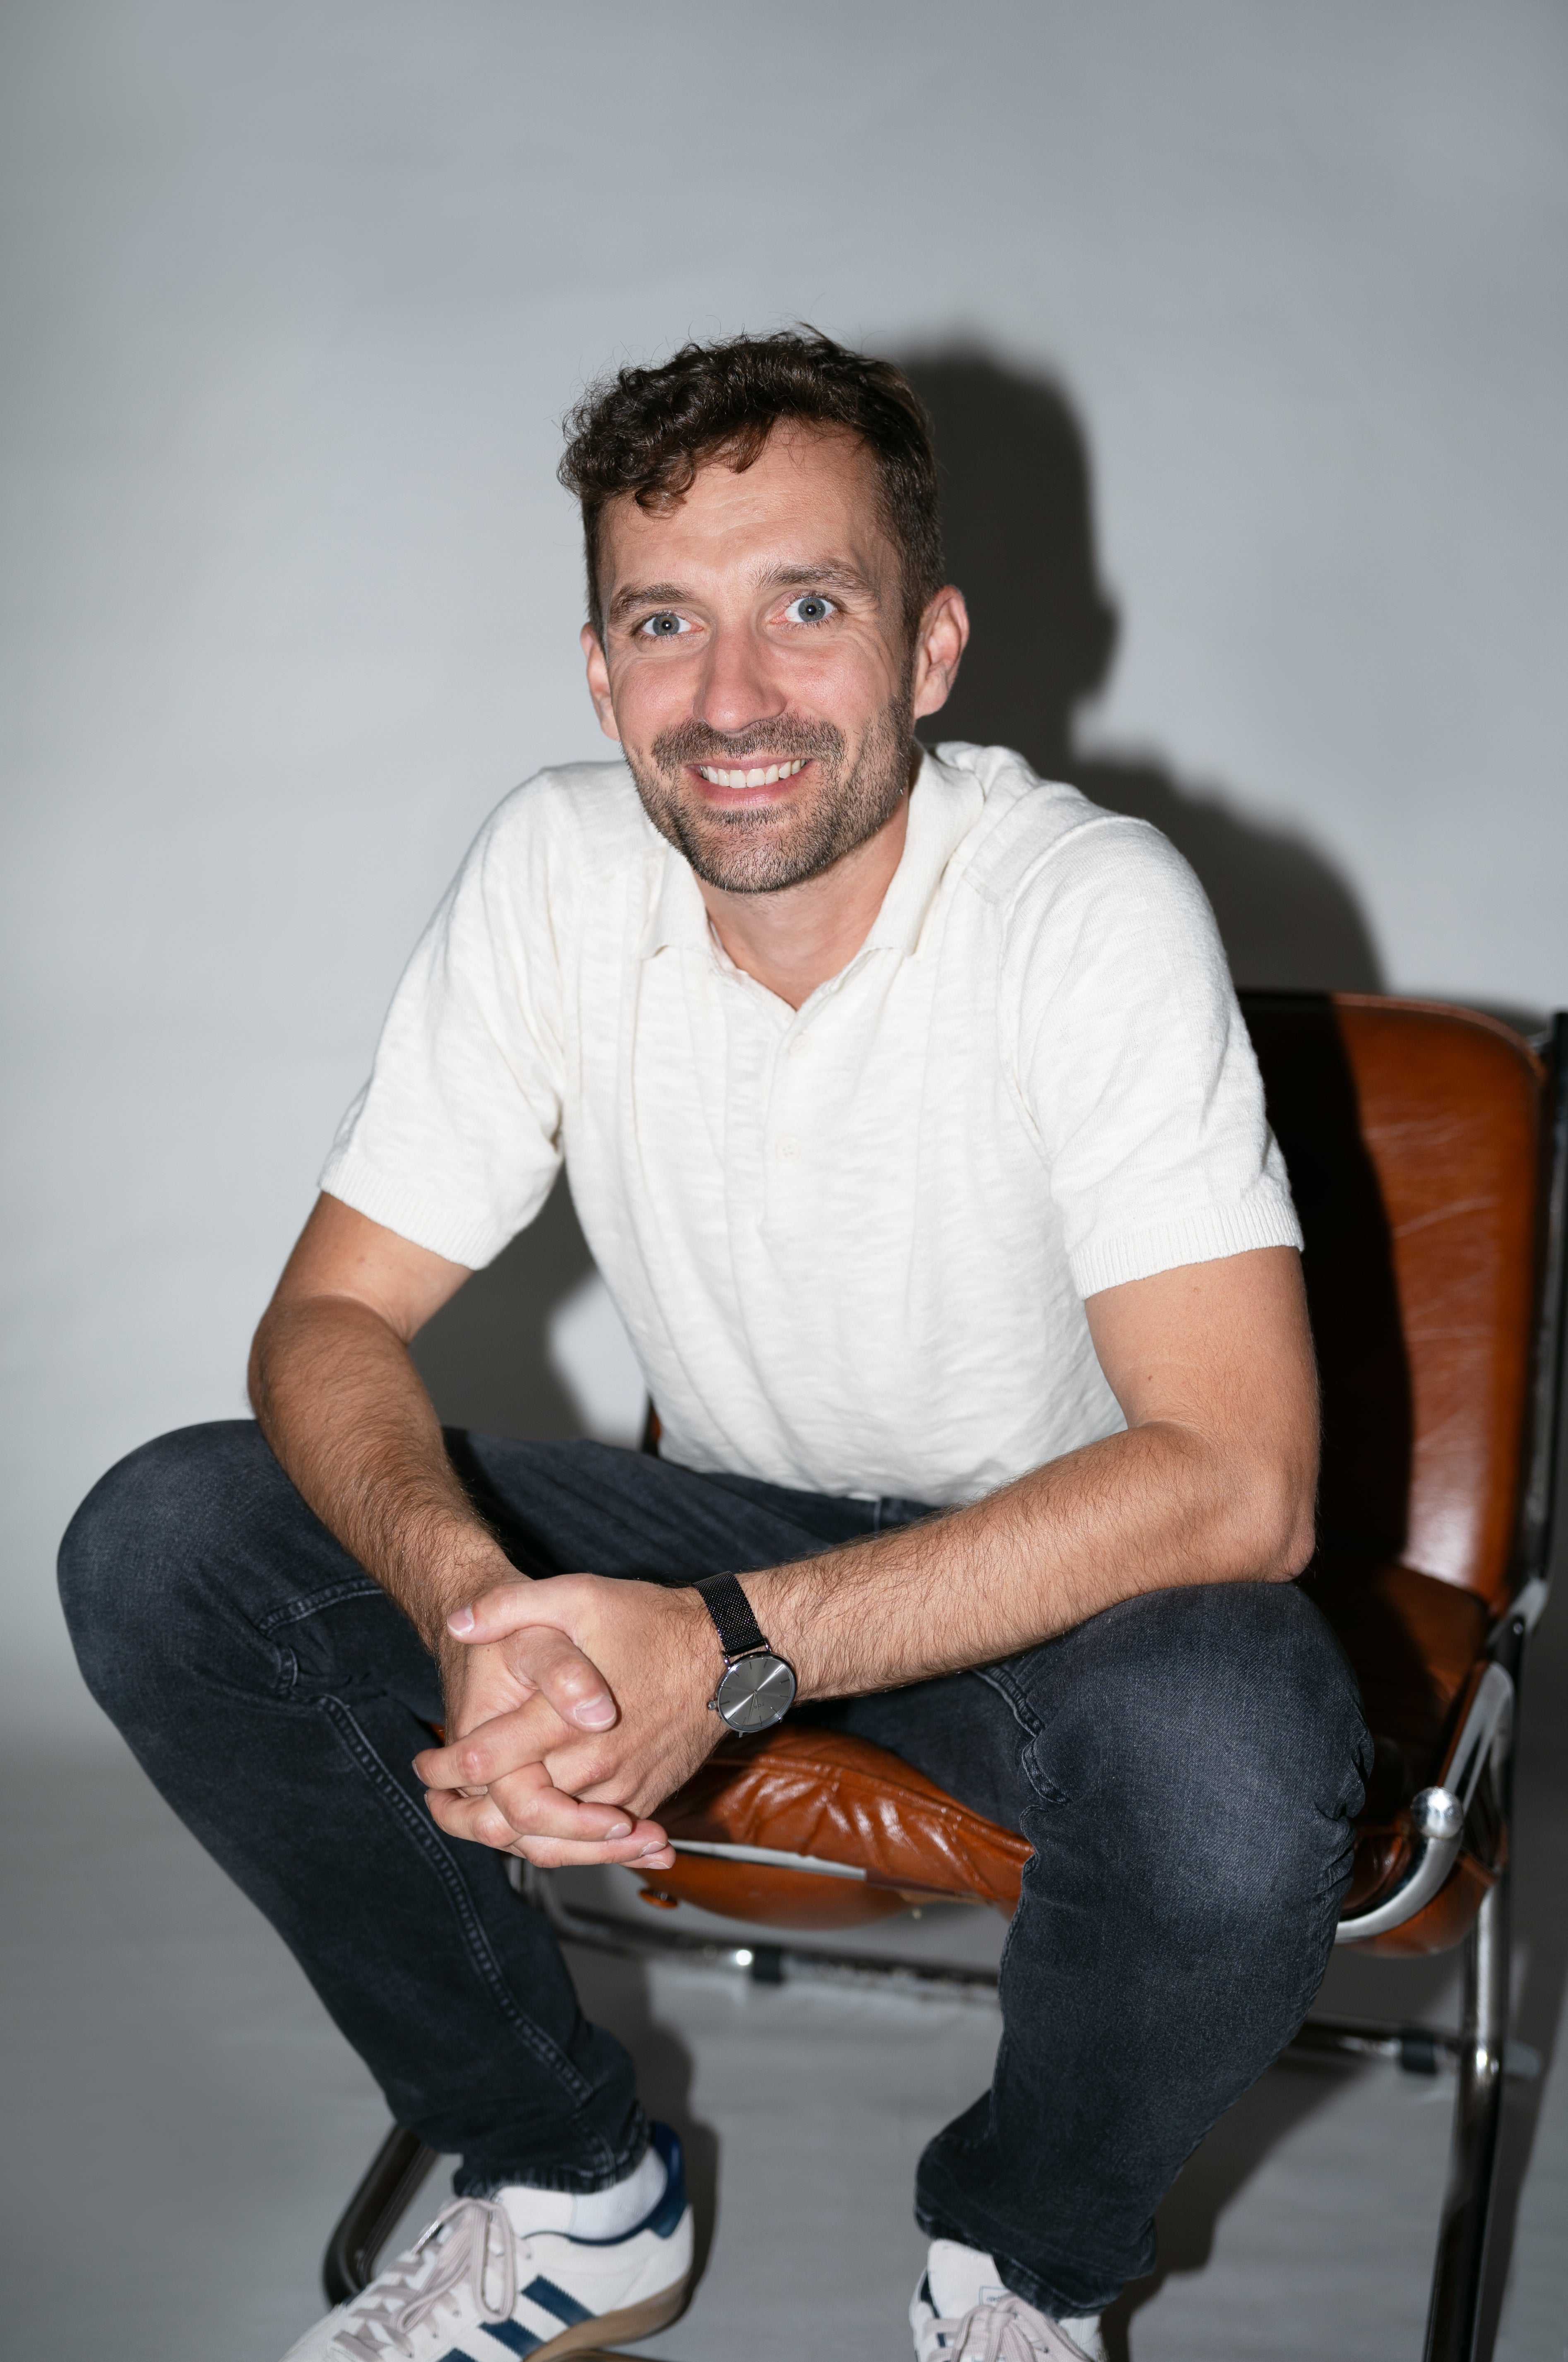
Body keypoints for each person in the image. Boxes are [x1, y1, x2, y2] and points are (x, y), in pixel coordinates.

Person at [59, 330, 1368, 2362]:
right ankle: (568, 2188)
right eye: (665, 621)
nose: (731, 697)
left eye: (806, 607)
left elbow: (1238, 1476)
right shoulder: (554, 867)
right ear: (600, 673)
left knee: (1233, 1757)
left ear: (929, 650)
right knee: (168, 1540)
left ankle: (1017, 2268)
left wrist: (727, 1647)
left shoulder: (1083, 909)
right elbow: (326, 1316)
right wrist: (467, 1597)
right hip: (728, 1519)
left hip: (1058, 1573)